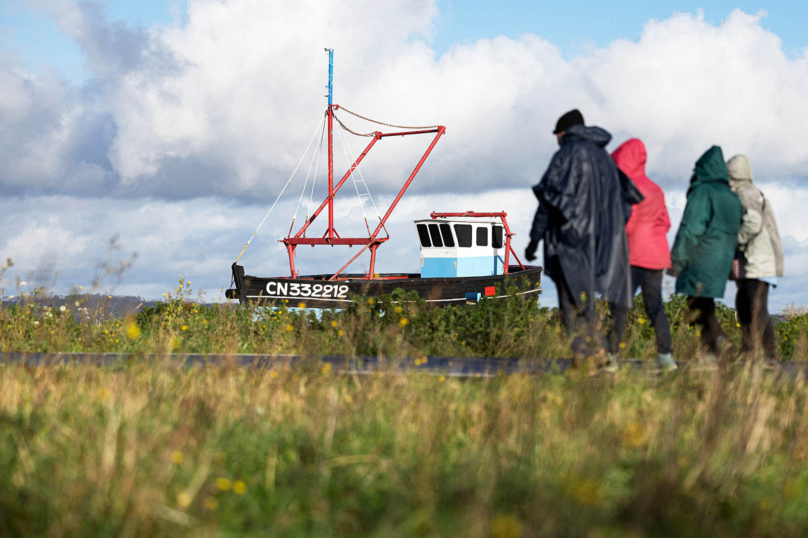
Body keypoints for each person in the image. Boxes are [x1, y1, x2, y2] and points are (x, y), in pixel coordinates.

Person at [525, 109, 641, 363]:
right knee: (586, 300)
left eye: (557, 134)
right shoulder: (606, 159)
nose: (556, 139)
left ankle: (588, 358)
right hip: (604, 244)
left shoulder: (566, 155)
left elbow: (549, 199)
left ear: (563, 133)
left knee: (571, 304)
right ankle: (598, 355)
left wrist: (535, 238)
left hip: (571, 241)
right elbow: (625, 202)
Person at [608, 139, 677, 370]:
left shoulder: (628, 187)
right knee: (654, 304)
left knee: (619, 304)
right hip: (657, 255)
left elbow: (627, 224)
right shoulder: (656, 188)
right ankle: (666, 357)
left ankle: (611, 356)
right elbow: (666, 222)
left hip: (635, 254)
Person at [670, 146, 741, 359]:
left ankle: (719, 349)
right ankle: (717, 350)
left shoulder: (703, 192)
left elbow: (691, 228)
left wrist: (677, 259)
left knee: (697, 307)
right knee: (704, 305)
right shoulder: (731, 197)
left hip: (702, 257)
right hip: (722, 258)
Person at [726, 154, 784, 359]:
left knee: (756, 306)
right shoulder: (746, 193)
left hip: (759, 261)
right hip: (753, 261)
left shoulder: (747, 195)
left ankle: (769, 355)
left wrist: (734, 239)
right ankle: (749, 350)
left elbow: (752, 223)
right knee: (743, 302)